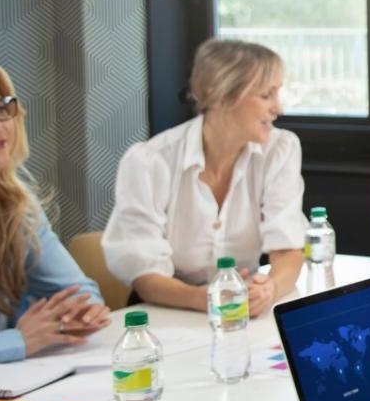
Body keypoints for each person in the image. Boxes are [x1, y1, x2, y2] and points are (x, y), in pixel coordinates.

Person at [103, 39, 306, 316]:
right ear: (221, 95)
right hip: (169, 312)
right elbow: (146, 277)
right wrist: (210, 300)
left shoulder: (280, 150)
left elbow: (288, 249)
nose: (278, 109)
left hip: (241, 309)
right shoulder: (151, 161)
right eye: (265, 95)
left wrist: (270, 288)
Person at [0, 68, 111, 362]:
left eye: (1, 108)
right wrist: (16, 342)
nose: (0, 125)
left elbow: (80, 292)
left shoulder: (15, 205)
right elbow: (20, 341)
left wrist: (79, 314)